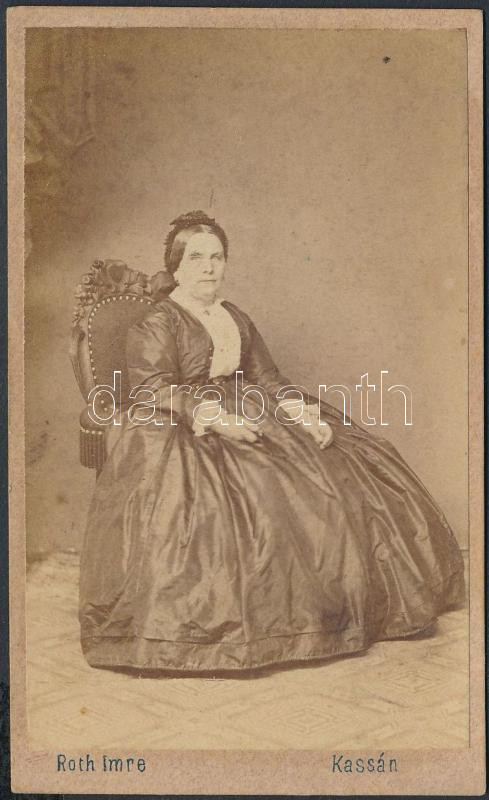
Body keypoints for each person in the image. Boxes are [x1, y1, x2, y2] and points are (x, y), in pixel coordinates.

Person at [79, 210, 465, 674]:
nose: (209, 267)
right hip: (179, 422)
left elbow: (266, 376)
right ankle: (249, 626)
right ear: (176, 266)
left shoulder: (234, 316)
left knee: (339, 461)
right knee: (257, 489)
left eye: (217, 257)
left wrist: (300, 413)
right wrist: (217, 420)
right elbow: (153, 388)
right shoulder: (158, 321)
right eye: (197, 257)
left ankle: (329, 610)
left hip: (249, 404)